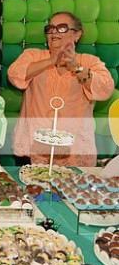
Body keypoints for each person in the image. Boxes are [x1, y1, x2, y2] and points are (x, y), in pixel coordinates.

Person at [8, 11, 114, 167]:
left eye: (62, 28)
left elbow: (105, 89)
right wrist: (51, 60)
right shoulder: (33, 56)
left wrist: (76, 67)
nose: (54, 32)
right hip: (34, 147)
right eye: (50, 28)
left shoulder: (90, 62)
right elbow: (15, 75)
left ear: (77, 34)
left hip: (74, 150)